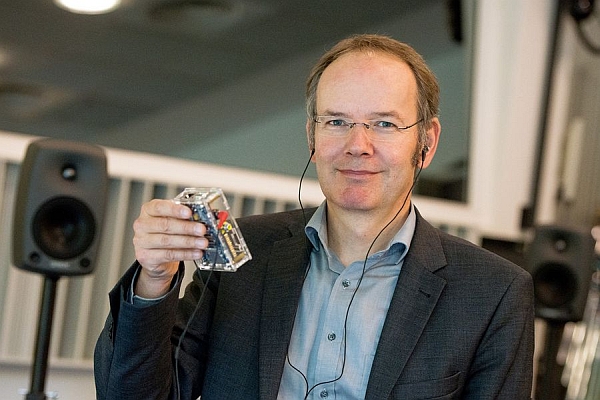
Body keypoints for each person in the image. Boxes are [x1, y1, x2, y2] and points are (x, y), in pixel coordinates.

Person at [94, 34, 535, 399]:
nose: (357, 145)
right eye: (337, 121)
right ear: (312, 136)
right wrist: (153, 280)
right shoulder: (242, 259)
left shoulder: (492, 293)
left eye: (384, 124)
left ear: (427, 141)